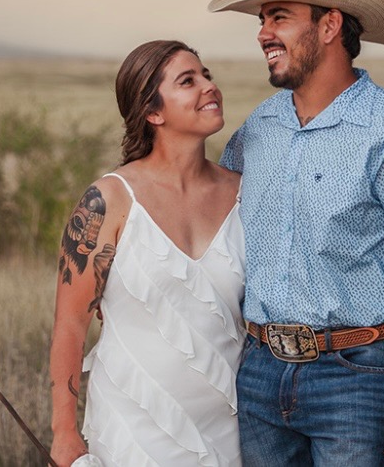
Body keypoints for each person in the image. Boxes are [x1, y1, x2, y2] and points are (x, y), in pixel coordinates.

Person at [208, 0, 384, 466]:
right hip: (256, 373)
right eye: (261, 19)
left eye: (279, 17)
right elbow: (212, 227)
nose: (262, 34)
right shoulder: (257, 131)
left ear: (329, 27)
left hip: (356, 378)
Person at [49, 40, 245, 467]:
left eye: (207, 75)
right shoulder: (109, 200)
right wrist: (64, 434)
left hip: (231, 433)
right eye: (188, 81)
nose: (208, 87)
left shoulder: (244, 193)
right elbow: (70, 324)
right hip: (133, 431)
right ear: (153, 113)